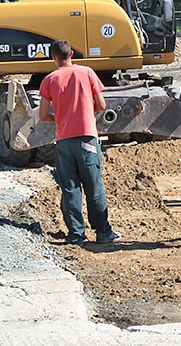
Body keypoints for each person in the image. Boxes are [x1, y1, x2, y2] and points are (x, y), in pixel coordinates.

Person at [38, 39, 120, 246]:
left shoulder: (49, 80)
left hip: (63, 141)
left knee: (70, 188)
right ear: (72, 54)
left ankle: (76, 234)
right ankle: (103, 232)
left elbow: (42, 115)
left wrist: (61, 118)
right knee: (93, 186)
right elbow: (101, 104)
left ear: (53, 57)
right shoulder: (87, 72)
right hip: (87, 139)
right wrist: (84, 112)